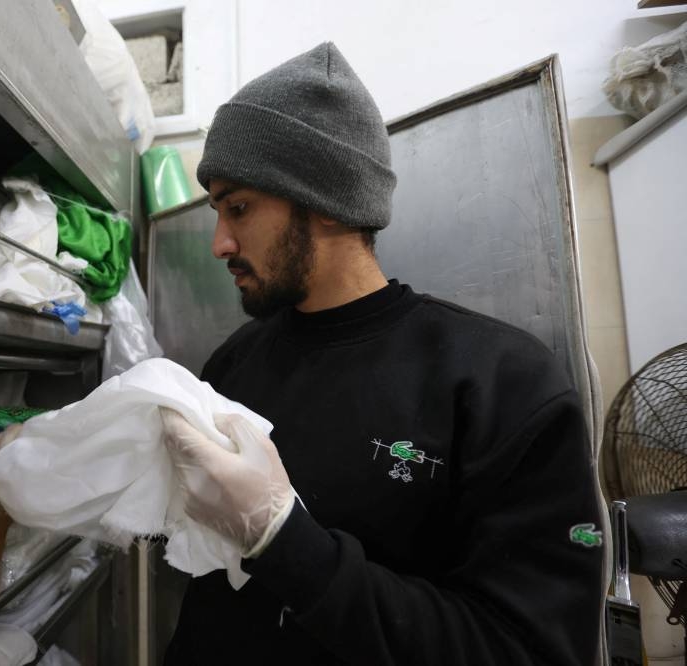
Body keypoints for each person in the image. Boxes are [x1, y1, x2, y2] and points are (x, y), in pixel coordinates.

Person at [157, 42, 604, 665]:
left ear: (327, 206)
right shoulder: (232, 365)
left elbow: (527, 648)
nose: (219, 243)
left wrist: (286, 542)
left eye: (238, 208)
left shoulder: (501, 385)